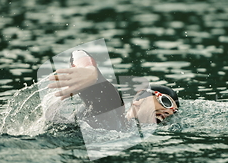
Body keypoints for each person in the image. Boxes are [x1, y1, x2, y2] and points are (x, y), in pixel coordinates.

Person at [46, 50, 180, 131]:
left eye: (174, 112)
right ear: (140, 99)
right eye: (165, 102)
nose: (170, 111)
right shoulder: (113, 109)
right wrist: (90, 71)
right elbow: (79, 53)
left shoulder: (124, 129)